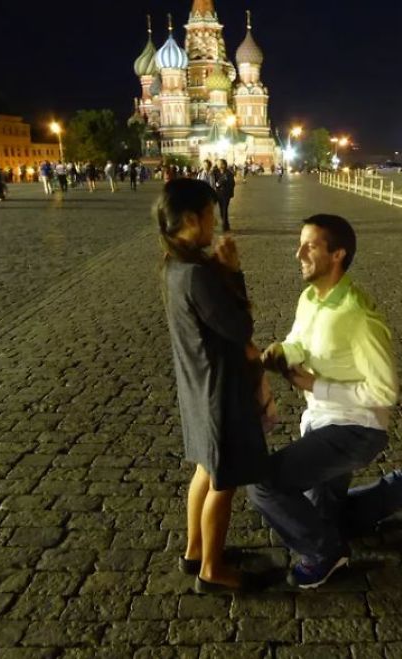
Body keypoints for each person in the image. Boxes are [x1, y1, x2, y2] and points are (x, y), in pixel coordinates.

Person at [248, 214, 402, 589]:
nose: (299, 253)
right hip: (320, 420)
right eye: (300, 244)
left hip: (356, 428)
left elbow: (385, 391)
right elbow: (301, 340)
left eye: (310, 246)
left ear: (338, 255)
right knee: (325, 519)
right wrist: (282, 351)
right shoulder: (310, 298)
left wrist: (318, 386)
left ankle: (325, 554)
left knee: (263, 483)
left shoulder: (357, 316)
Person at [157, 178, 271, 594]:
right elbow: (240, 328)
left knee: (206, 470)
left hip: (197, 383)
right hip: (220, 390)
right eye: (209, 214)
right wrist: (235, 273)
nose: (214, 222)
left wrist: (220, 271)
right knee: (224, 481)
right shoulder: (196, 275)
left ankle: (194, 551)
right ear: (191, 219)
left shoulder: (174, 265)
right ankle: (211, 569)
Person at [214, 159, 235, 232]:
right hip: (218, 193)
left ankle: (224, 225)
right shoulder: (215, 172)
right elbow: (213, 181)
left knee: (225, 209)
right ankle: (226, 224)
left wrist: (222, 183)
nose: (218, 165)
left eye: (219, 163)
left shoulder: (229, 173)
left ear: (223, 165)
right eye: (217, 163)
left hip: (226, 194)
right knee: (221, 209)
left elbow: (232, 184)